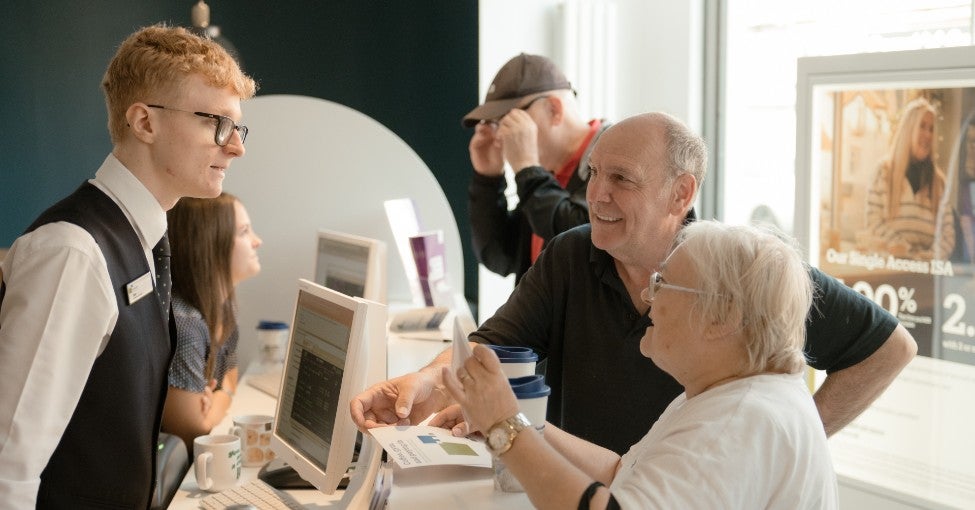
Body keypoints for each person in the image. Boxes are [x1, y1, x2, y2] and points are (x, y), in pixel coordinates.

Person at [351, 112, 917, 456]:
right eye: (595, 173)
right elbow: (494, 348)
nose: (596, 195)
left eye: (621, 179)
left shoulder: (740, 273)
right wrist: (425, 384)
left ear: (681, 194)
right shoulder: (572, 253)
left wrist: (797, 443)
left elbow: (890, 348)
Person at [0, 25, 255, 508]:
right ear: (144, 122)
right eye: (216, 123)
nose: (236, 146)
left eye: (236, 127)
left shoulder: (144, 238)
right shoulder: (72, 252)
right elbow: (8, 465)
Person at [445, 220, 838, 509]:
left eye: (664, 284)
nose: (650, 298)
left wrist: (505, 429)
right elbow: (622, 473)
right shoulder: (724, 394)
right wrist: (523, 425)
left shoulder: (736, 420)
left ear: (722, 318)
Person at [463, 53, 610, 282]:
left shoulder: (612, 158)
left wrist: (527, 168)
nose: (501, 135)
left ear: (554, 109)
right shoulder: (546, 173)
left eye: (509, 120)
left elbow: (584, 242)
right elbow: (501, 257)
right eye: (496, 124)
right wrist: (487, 180)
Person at [161, 193, 262, 450]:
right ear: (209, 244)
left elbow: (231, 373)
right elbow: (194, 431)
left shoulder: (222, 310)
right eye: (244, 232)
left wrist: (217, 398)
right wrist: (221, 398)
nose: (257, 242)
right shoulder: (185, 327)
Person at [866, 96, 955, 259]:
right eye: (922, 126)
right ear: (908, 130)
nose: (927, 134)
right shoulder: (883, 172)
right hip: (888, 271)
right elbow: (874, 222)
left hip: (926, 275)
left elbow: (947, 235)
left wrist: (925, 258)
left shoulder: (939, 183)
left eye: (931, 129)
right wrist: (906, 252)